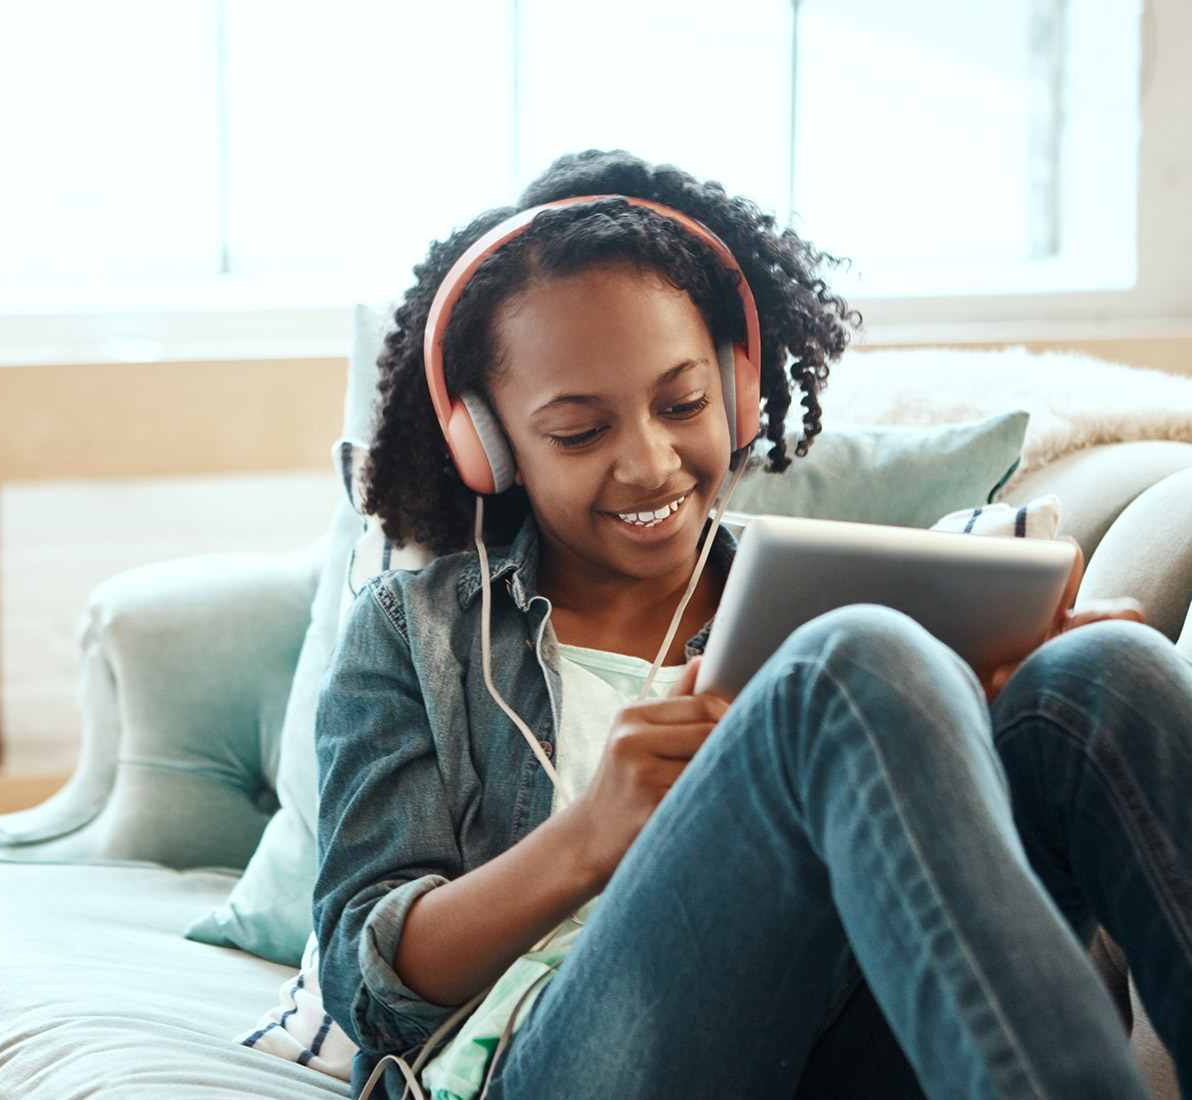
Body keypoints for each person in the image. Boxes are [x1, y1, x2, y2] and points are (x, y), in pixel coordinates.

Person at [311, 149, 1192, 1100]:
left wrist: (967, 718)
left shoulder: (820, 591)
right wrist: (593, 832)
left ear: (735, 388)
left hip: (828, 1053)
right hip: (542, 1066)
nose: (650, 464)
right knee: (848, 663)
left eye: (682, 404)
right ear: (490, 445)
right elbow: (368, 987)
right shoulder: (417, 633)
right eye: (579, 432)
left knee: (1103, 672)